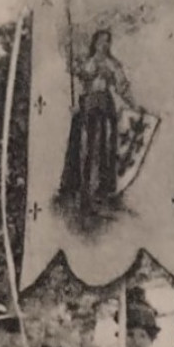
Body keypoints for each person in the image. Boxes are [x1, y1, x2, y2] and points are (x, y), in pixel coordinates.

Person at [58, 28, 138, 214]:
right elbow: (81, 84)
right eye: (101, 41)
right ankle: (80, 192)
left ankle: (102, 193)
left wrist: (134, 105)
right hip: (87, 108)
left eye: (107, 41)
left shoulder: (113, 64)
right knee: (83, 149)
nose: (105, 44)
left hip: (104, 109)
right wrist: (77, 105)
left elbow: (122, 88)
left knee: (105, 149)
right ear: (94, 43)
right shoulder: (87, 63)